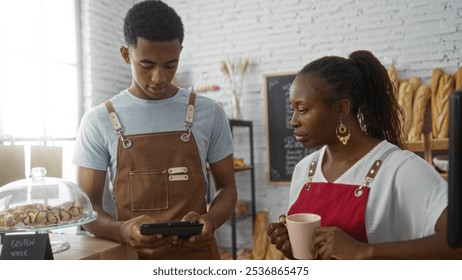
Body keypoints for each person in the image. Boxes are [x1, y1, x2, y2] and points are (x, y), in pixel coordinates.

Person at [72, 0, 237, 260]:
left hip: (199, 259)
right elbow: (87, 208)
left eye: (170, 65)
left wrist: (211, 220)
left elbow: (227, 189)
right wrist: (121, 231)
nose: (159, 78)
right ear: (126, 55)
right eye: (147, 65)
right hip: (133, 259)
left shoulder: (210, 113)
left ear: (180, 52)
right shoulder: (98, 121)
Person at [267, 50, 462, 259]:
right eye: (292, 110)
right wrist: (293, 250)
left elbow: (457, 243)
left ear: (341, 109)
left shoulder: (400, 169)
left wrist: (364, 251)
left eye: (303, 109)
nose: (293, 121)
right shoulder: (304, 170)